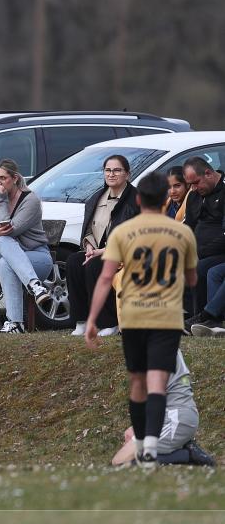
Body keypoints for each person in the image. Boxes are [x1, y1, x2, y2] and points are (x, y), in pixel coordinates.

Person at [86, 172, 198, 468]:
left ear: (137, 200)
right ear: (165, 200)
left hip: (133, 316)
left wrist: (92, 319)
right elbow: (192, 277)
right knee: (157, 383)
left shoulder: (123, 232)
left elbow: (105, 278)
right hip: (167, 315)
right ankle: (148, 446)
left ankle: (146, 446)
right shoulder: (181, 232)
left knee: (137, 382)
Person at [0, 158, 53, 333]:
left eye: (3, 178)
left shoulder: (30, 200)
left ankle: (15, 323)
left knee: (6, 262)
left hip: (36, 257)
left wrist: (0, 199)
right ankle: (35, 286)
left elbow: (10, 230)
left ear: (15, 178)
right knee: (2, 241)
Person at [68, 155, 139, 337]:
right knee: (74, 261)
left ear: (127, 174)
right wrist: (89, 246)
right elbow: (89, 229)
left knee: (95, 264)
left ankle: (109, 322)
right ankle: (82, 320)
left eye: (117, 170)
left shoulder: (136, 199)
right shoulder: (97, 197)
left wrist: (103, 251)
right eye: (108, 170)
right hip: (99, 250)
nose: (111, 174)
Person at [110, 350, 215, 467]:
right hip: (175, 414)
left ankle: (187, 454)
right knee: (118, 460)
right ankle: (184, 447)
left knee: (121, 462)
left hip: (175, 418)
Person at [182, 157, 225, 321]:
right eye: (190, 184)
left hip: (218, 252)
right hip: (199, 250)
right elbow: (187, 227)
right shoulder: (194, 195)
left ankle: (202, 318)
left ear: (208, 173)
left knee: (200, 268)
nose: (193, 188)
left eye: (196, 183)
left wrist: (199, 252)